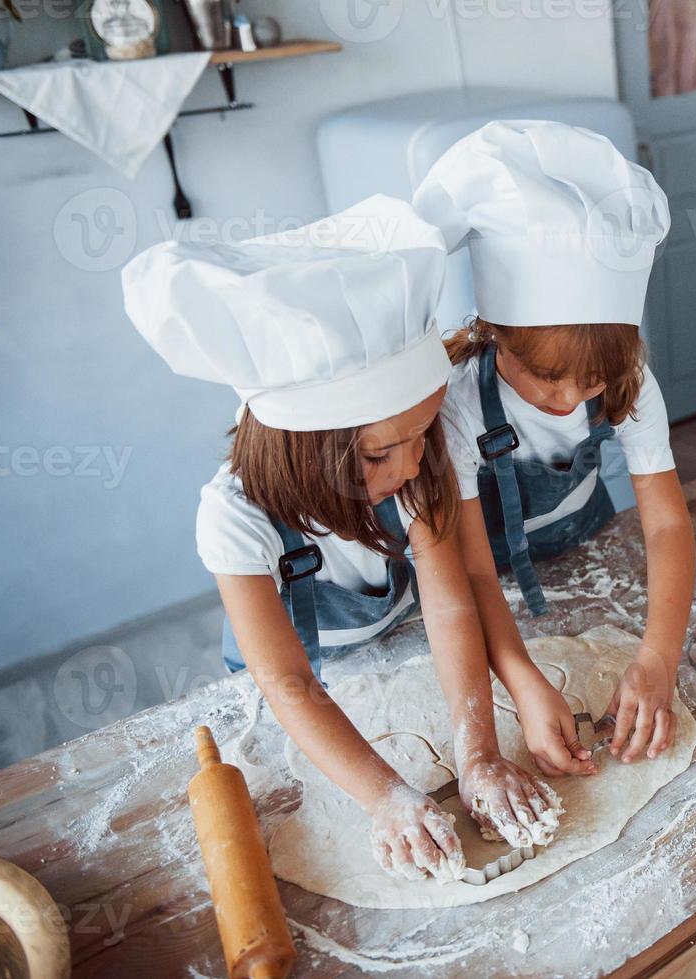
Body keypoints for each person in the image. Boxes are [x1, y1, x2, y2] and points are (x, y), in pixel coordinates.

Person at [121, 196, 557, 883]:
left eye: (422, 435)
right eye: (382, 454)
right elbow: (289, 681)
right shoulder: (233, 518)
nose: (412, 465)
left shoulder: (418, 454)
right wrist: (388, 797)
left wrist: (477, 753)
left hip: (396, 644)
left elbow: (446, 605)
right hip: (303, 690)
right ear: (307, 451)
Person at [413, 121, 696, 771]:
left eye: (589, 379)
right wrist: (521, 678)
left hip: (587, 556)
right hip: (495, 589)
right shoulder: (458, 402)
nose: (570, 400)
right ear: (495, 331)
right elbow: (474, 571)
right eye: (546, 377)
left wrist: (657, 657)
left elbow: (666, 524)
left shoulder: (629, 380)